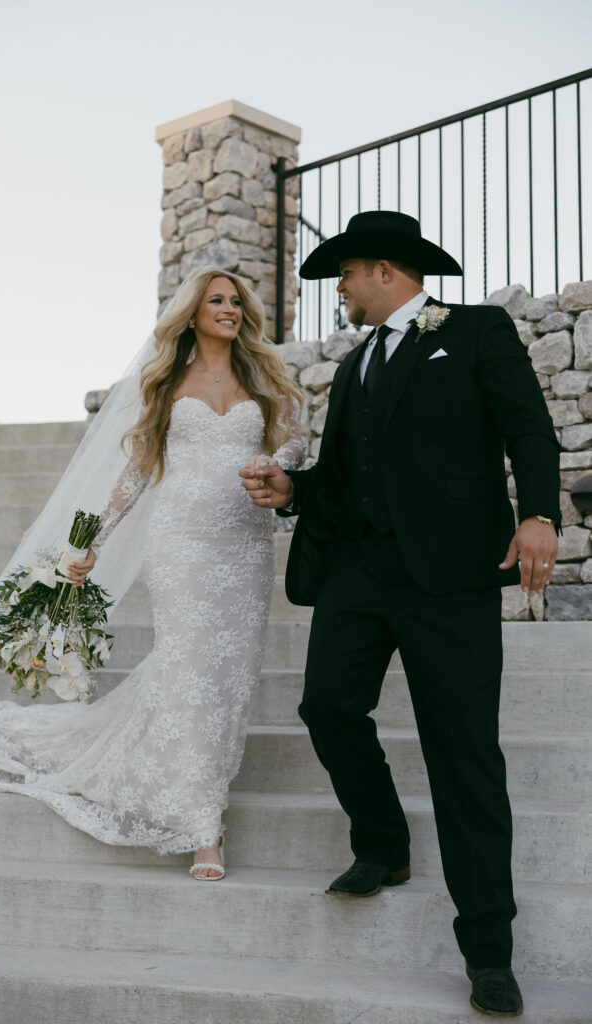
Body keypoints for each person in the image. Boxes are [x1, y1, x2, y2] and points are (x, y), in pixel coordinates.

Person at [240, 211, 560, 1016]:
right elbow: (342, 477)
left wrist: (539, 516)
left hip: (450, 576)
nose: (338, 292)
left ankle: (487, 950)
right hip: (358, 569)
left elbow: (528, 428)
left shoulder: (477, 331)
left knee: (463, 755)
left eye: (343, 276)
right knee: (326, 705)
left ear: (383, 270)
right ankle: (382, 844)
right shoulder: (354, 368)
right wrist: (293, 492)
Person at [0, 268, 305, 881]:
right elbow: (134, 474)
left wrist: (274, 462)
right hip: (180, 543)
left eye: (235, 302)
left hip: (245, 546)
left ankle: (201, 781)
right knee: (190, 670)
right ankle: (203, 825)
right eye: (216, 302)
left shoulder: (262, 376)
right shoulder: (168, 383)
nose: (229, 310)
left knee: (230, 675)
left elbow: (293, 444)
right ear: (193, 314)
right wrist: (87, 542)